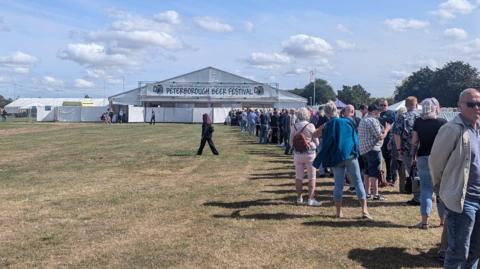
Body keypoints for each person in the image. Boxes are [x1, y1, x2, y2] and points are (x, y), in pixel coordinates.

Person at [429, 88, 480, 268]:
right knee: (459, 251)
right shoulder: (451, 129)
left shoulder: (478, 129)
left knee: (476, 251)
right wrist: (443, 189)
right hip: (462, 200)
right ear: (460, 106)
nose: (476, 108)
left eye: (479, 104)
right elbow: (435, 163)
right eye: (471, 104)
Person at [313, 101, 372, 219]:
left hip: (336, 157)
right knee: (358, 182)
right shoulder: (348, 121)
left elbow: (314, 135)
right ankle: (365, 211)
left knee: (338, 185)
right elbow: (355, 139)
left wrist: (323, 125)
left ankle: (339, 212)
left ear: (326, 113)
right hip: (350, 155)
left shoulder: (327, 124)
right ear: (337, 110)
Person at [411, 98, 447, 229]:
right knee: (441, 190)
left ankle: (425, 221)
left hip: (422, 157)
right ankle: (443, 221)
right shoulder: (442, 122)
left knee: (426, 189)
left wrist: (412, 156)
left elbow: (414, 142)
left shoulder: (418, 122)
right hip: (438, 158)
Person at [358, 104, 392, 201]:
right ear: (373, 111)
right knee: (374, 172)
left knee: (367, 172)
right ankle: (376, 194)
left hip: (364, 150)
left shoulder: (363, 120)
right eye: (378, 111)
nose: (379, 113)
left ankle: (367, 193)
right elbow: (379, 136)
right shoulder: (372, 120)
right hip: (373, 149)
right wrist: (387, 129)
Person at [290, 107, 321, 206]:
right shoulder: (311, 126)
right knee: (312, 177)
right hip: (310, 154)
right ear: (307, 115)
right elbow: (317, 142)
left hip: (298, 154)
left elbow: (290, 142)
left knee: (298, 177)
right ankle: (311, 199)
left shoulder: (294, 126)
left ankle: (299, 198)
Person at [394, 96, 421, 205]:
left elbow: (396, 134)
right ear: (416, 104)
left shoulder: (402, 117)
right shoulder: (422, 116)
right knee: (424, 172)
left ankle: (417, 197)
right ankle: (426, 194)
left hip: (408, 149)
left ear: (405, 105)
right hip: (422, 148)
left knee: (413, 172)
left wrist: (399, 149)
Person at [378, 99, 397, 183]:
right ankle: (382, 176)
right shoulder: (377, 114)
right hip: (379, 139)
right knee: (382, 158)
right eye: (381, 105)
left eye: (384, 105)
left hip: (388, 139)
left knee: (389, 158)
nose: (383, 107)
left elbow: (394, 125)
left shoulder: (391, 113)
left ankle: (391, 176)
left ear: (387, 105)